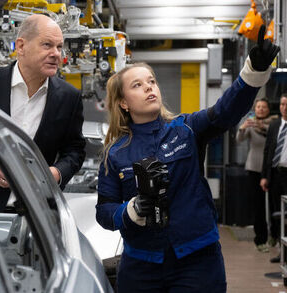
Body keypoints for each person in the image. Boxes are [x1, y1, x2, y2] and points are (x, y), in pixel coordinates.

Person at [96, 25, 279, 293]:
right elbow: (104, 211)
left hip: (197, 260)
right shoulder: (115, 154)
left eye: (151, 81)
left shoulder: (186, 129)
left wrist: (253, 71)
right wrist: (129, 211)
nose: (149, 88)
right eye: (138, 85)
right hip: (141, 266)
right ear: (123, 103)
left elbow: (225, 111)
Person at [0, 14, 86, 212]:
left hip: (38, 216)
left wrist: (56, 172)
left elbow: (75, 149)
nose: (56, 53)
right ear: (21, 46)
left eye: (59, 46)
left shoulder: (68, 97)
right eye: (47, 45)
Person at [236, 98, 275, 252]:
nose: (260, 109)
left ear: (268, 109)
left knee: (274, 204)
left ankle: (276, 235)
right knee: (258, 206)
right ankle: (261, 239)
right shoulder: (251, 124)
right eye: (258, 107)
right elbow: (239, 140)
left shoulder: (275, 124)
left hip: (272, 168)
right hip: (254, 168)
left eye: (263, 107)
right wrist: (242, 127)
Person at [260, 94, 287, 263]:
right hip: (276, 175)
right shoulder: (275, 125)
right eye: (283, 104)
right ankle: (281, 251)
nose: (285, 107)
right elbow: (267, 151)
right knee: (277, 214)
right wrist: (264, 176)